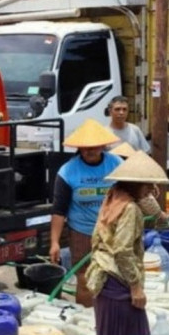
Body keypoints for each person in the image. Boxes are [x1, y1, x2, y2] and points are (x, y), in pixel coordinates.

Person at [85, 151, 169, 335]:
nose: (152, 190)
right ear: (136, 185)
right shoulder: (130, 208)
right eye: (148, 185)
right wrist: (135, 287)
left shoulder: (114, 196)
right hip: (118, 281)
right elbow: (123, 250)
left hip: (103, 278)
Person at [49, 118, 122, 307]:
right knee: (85, 279)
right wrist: (54, 242)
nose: (90, 151)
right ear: (79, 148)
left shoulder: (116, 164)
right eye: (85, 147)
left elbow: (131, 194)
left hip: (112, 231)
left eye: (95, 147)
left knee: (113, 276)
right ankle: (86, 316)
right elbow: (59, 210)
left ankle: (109, 313)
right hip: (82, 232)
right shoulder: (68, 172)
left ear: (103, 146)